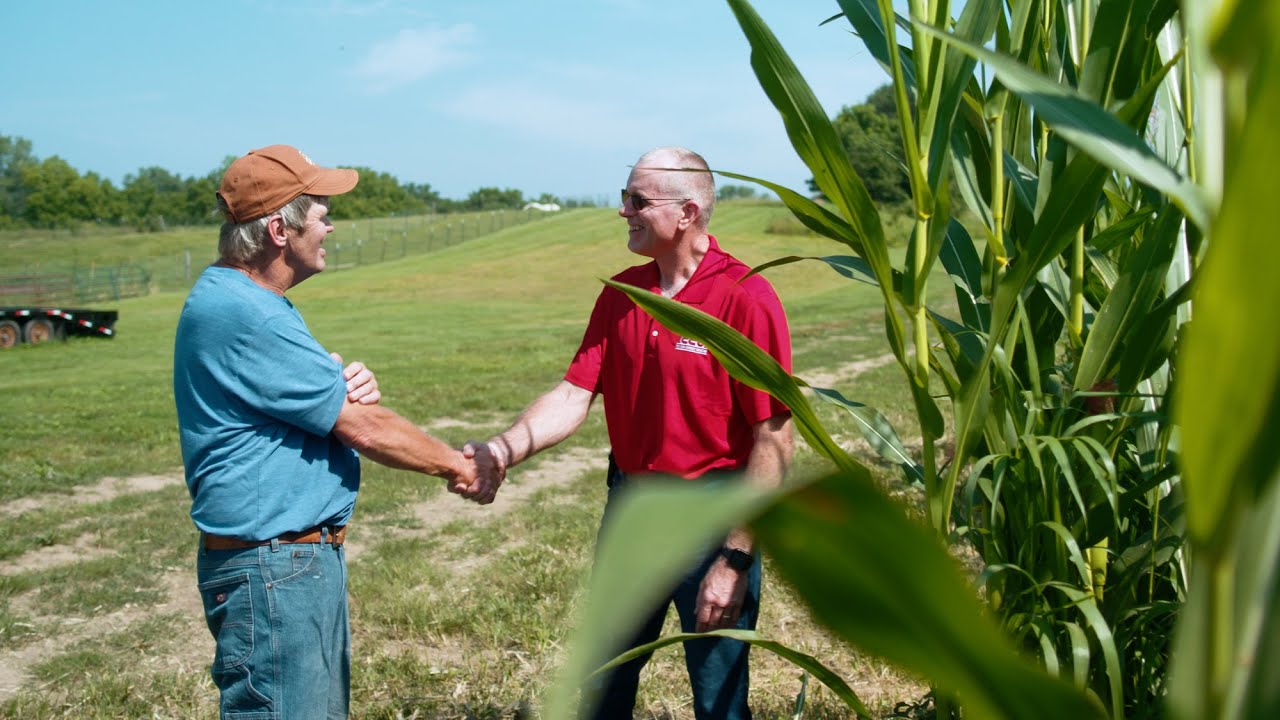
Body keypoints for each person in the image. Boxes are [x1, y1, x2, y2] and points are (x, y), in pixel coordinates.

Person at [466, 146, 794, 719]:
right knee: (603, 681)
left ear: (687, 213)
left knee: (718, 695)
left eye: (638, 200)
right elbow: (573, 395)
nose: (624, 211)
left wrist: (735, 559)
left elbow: (774, 438)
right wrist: (503, 449)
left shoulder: (744, 296)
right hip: (634, 508)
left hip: (710, 513)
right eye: (625, 197)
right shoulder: (623, 293)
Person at [173, 144, 491, 719]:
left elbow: (315, 402)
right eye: (320, 213)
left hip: (282, 562)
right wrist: (460, 465)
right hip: (273, 569)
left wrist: (338, 382)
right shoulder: (248, 313)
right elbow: (365, 427)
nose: (330, 225)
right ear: (278, 229)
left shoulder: (243, 300)